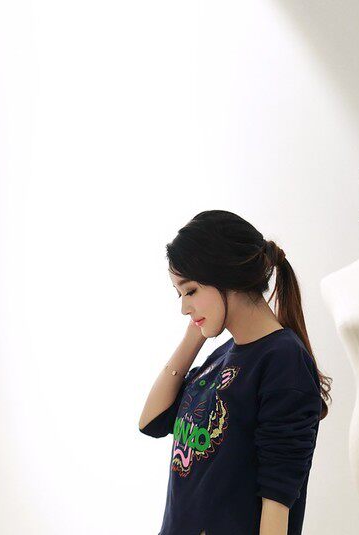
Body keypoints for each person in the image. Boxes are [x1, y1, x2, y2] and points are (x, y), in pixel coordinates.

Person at [138, 210, 333, 535]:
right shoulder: (223, 355)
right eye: (180, 294)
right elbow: (152, 422)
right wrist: (193, 337)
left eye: (190, 291)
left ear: (227, 277)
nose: (184, 308)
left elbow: (277, 498)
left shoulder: (283, 361)